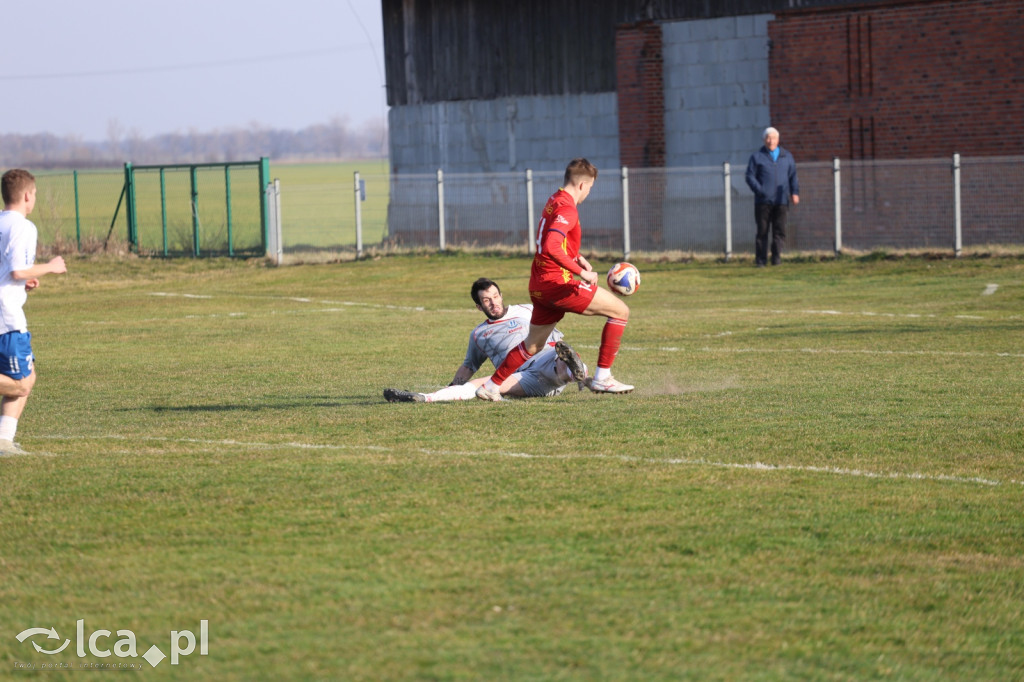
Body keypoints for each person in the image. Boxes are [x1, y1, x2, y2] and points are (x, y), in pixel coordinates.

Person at [475, 158, 633, 401]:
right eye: (590, 188)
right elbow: (550, 245)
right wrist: (582, 273)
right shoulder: (568, 208)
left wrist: (576, 256)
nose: (589, 193)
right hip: (558, 284)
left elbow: (553, 238)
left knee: (532, 346)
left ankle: (492, 386)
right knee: (620, 311)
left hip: (539, 285)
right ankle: (603, 377)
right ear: (582, 185)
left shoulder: (554, 199)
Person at [383, 278, 588, 403]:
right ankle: (424, 397)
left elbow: (556, 338)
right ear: (479, 307)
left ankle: (575, 372)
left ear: (501, 295)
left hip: (547, 358)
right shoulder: (479, 334)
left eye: (496, 296)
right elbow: (468, 367)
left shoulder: (528, 309)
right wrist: (453, 386)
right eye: (487, 300)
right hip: (521, 376)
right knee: (479, 386)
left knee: (561, 358)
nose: (494, 303)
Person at [0, 169, 67, 455]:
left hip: (6, 306)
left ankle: (3, 441)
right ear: (28, 195)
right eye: (36, 194)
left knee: (29, 377)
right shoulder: (23, 227)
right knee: (21, 384)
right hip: (6, 316)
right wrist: (50, 266)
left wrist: (24, 281)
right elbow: (16, 269)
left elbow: (11, 272)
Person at [745, 126, 800, 267]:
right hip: (763, 202)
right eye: (768, 138)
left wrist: (794, 192)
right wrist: (760, 190)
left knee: (779, 231)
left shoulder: (787, 156)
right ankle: (761, 260)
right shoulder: (757, 157)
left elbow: (793, 176)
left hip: (781, 201)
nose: (771, 141)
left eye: (774, 138)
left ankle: (776, 258)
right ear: (764, 140)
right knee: (762, 232)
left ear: (778, 139)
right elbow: (749, 176)